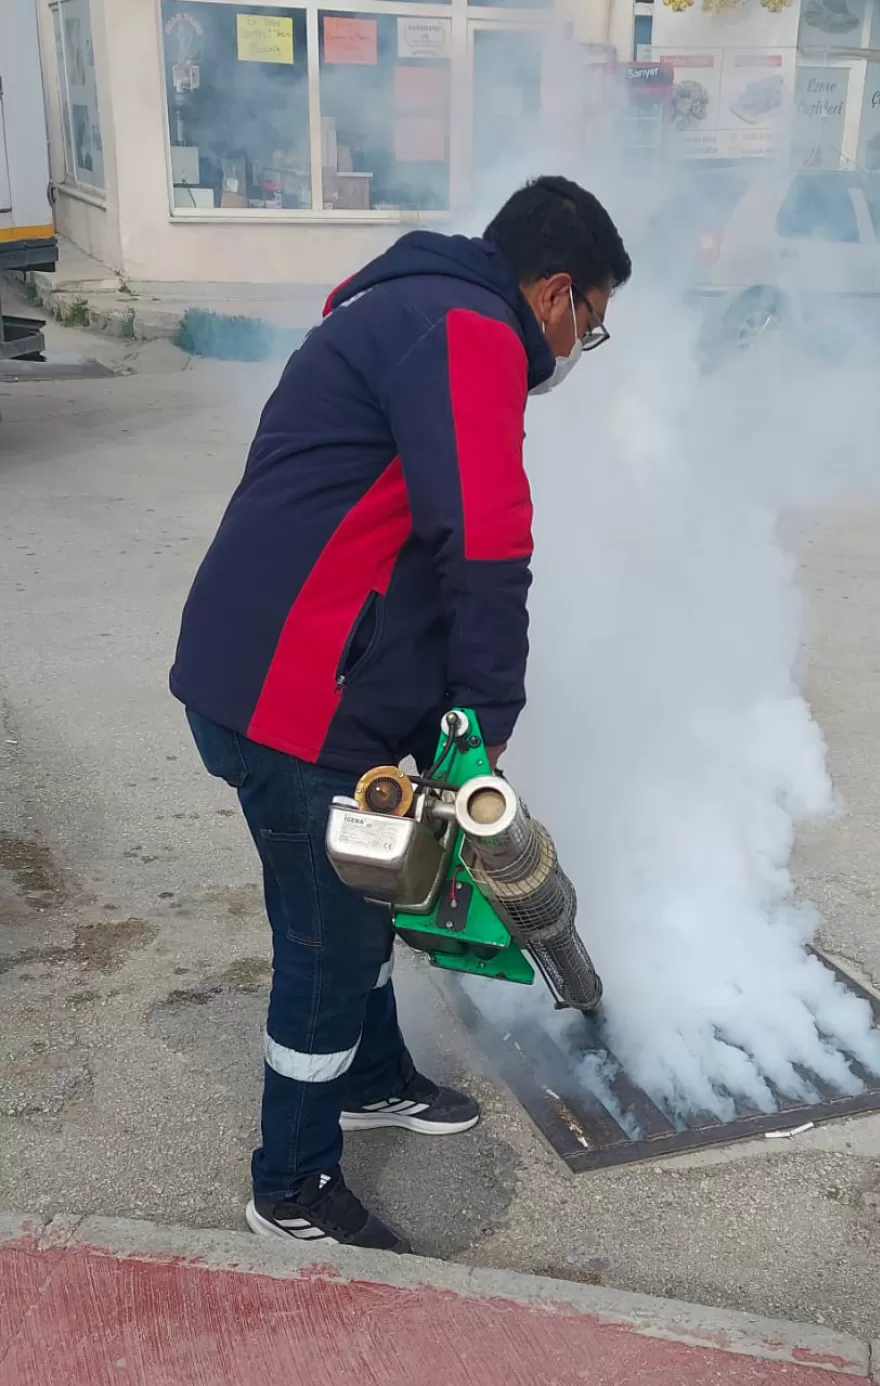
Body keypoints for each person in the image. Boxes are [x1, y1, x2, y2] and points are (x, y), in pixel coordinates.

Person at [170, 175, 631, 1253]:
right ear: (555, 290)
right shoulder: (465, 330)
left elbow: (397, 539)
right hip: (297, 703)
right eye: (590, 323)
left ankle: (371, 1078)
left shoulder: (402, 308)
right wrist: (486, 714)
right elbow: (482, 540)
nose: (581, 346)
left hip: (304, 679)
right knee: (326, 944)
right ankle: (289, 1185)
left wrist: (430, 711)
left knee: (373, 892)